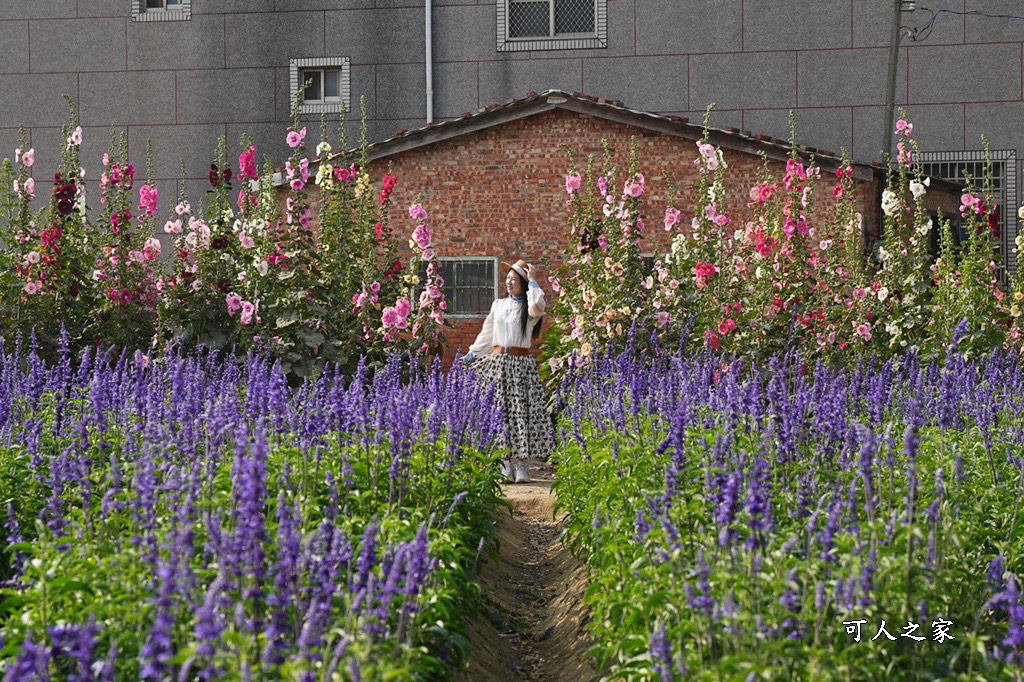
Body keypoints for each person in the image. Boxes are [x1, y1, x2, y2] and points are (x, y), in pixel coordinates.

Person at [463, 259, 555, 483]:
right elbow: (487, 333)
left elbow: (539, 305)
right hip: (498, 364)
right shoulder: (498, 305)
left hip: (520, 365)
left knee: (521, 414)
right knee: (500, 413)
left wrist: (533, 282)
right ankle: (504, 462)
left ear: (522, 283)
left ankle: (522, 464)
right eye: (508, 278)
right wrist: (472, 353)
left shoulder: (529, 308)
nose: (509, 282)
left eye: (514, 279)